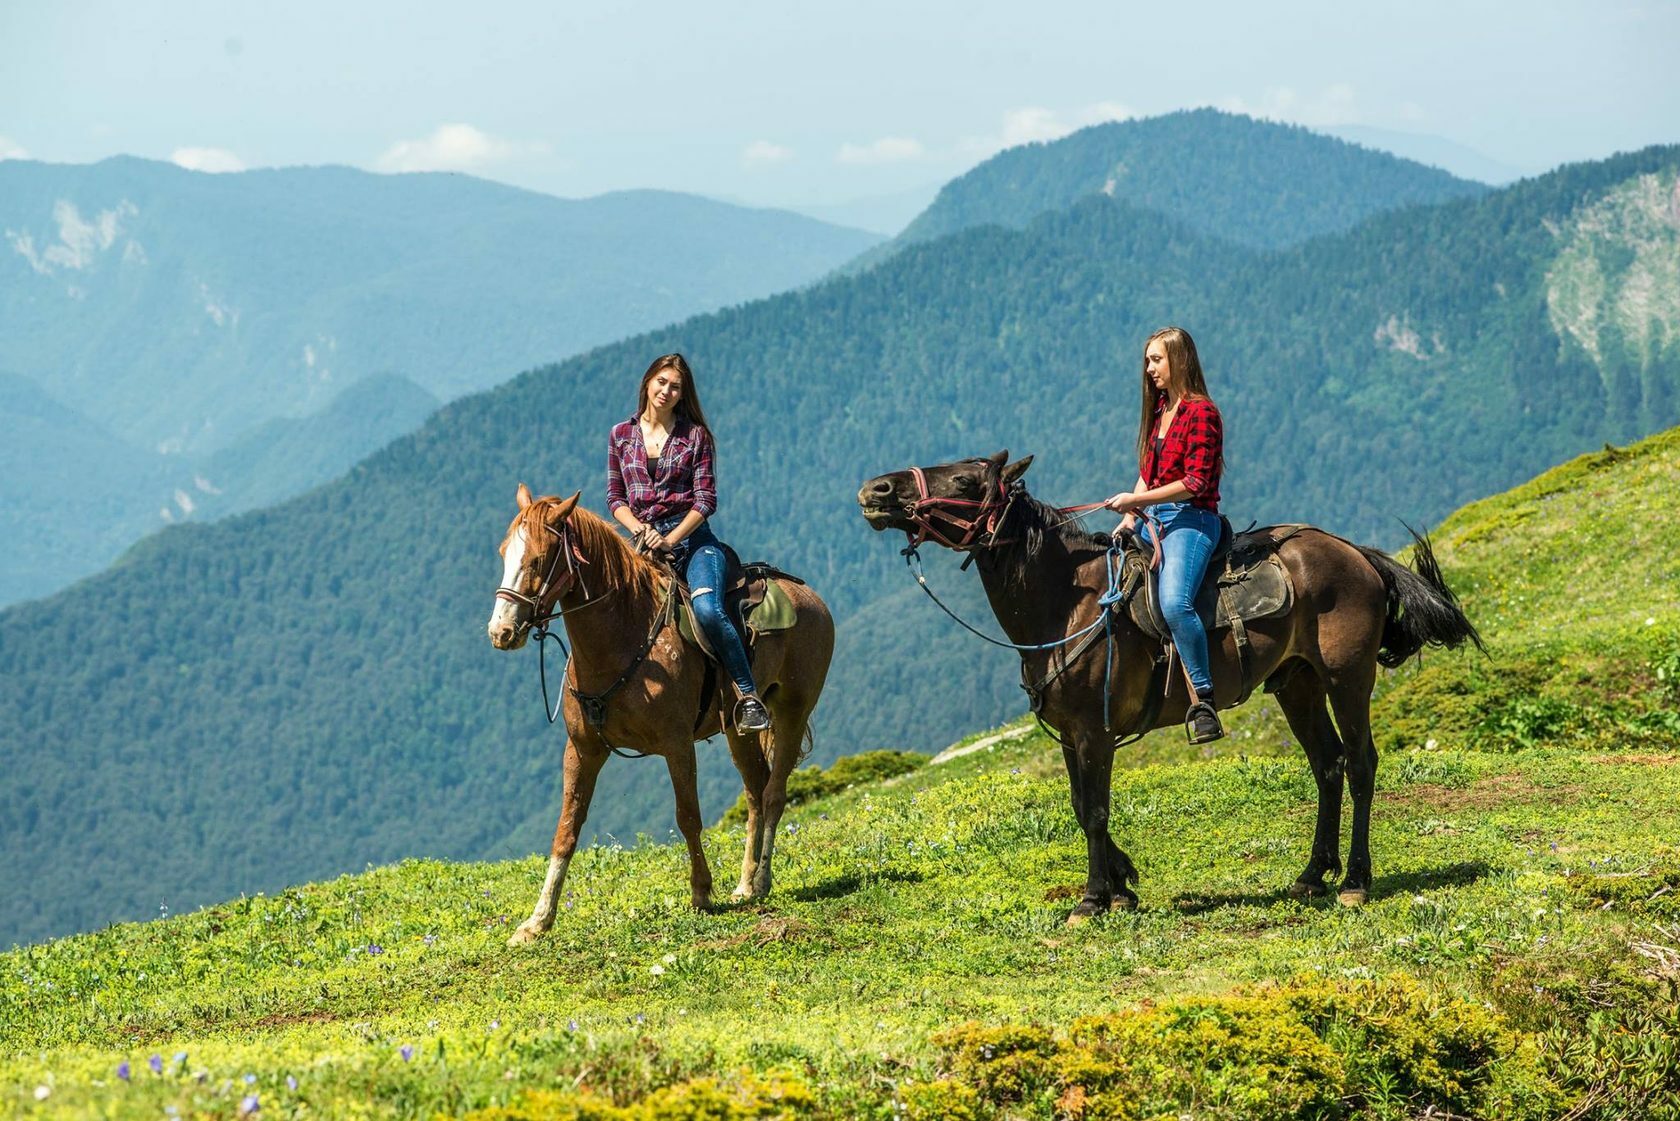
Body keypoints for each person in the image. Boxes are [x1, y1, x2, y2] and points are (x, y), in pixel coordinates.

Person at [607, 353, 771, 731]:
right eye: (661, 382)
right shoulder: (620, 435)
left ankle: (748, 696)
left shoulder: (695, 437)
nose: (666, 391)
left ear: (684, 394)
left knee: (709, 611)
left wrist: (669, 539)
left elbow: (705, 501)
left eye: (675, 386)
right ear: (648, 382)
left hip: (694, 543)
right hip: (641, 541)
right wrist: (641, 531)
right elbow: (615, 498)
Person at [1104, 327, 1226, 744]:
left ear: (1179, 359)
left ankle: (1204, 698)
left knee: (1175, 603)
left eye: (1156, 359)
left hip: (1192, 518)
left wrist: (1137, 503)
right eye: (1148, 360)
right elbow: (1149, 472)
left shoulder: (1201, 412)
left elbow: (1193, 482)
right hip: (1155, 515)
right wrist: (1131, 515)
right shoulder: (1161, 410)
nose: (1149, 368)